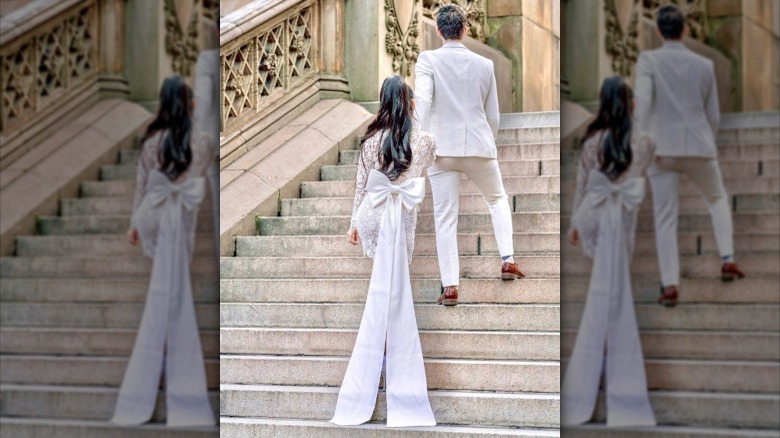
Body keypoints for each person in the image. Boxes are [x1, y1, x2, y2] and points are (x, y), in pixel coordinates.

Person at [331, 75, 437, 427]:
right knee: (394, 293)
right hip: (400, 216)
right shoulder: (421, 141)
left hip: (373, 216)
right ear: (408, 102)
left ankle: (377, 359)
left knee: (383, 292)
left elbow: (362, 186)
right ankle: (392, 359)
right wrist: (414, 113)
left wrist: (353, 224)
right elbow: (426, 161)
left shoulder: (369, 141)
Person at [112, 76, 215, 427]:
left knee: (166, 300)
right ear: (186, 103)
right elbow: (198, 170)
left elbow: (143, 188)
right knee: (174, 301)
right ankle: (183, 390)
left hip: (158, 219)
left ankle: (148, 387)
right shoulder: (199, 142)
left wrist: (134, 225)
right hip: (180, 220)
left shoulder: (152, 142)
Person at [635, 4, 745, 307]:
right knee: (717, 199)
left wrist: (639, 145)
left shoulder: (648, 60)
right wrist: (706, 139)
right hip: (699, 145)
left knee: (665, 218)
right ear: (684, 30)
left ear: (658, 30)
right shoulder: (704, 66)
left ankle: (670, 285)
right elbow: (713, 116)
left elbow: (642, 107)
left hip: (662, 149)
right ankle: (727, 258)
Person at [414, 4, 524, 307]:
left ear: (438, 31)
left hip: (441, 150)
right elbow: (494, 116)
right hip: (479, 145)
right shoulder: (485, 65)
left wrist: (417, 140)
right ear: (464, 30)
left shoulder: (428, 60)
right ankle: (507, 259)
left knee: (445, 218)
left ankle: (450, 286)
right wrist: (487, 142)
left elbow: (421, 102)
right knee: (497, 199)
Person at [563, 76, 656, 427]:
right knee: (615, 294)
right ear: (628, 104)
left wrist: (575, 224)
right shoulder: (642, 142)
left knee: (604, 294)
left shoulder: (591, 143)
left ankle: (595, 361)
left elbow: (583, 187)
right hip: (622, 220)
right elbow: (643, 161)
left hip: (598, 219)